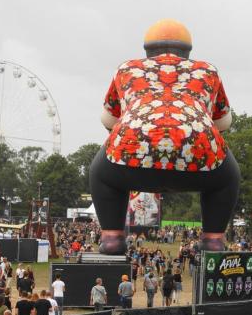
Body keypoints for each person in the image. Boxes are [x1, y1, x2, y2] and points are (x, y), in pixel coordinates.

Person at [90, 18, 240, 255]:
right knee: (228, 177)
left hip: (132, 155)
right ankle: (213, 240)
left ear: (147, 49)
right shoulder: (207, 70)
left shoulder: (127, 68)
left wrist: (136, 138)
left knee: (101, 173)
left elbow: (108, 119)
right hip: (198, 157)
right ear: (188, 51)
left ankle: (112, 238)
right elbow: (223, 122)